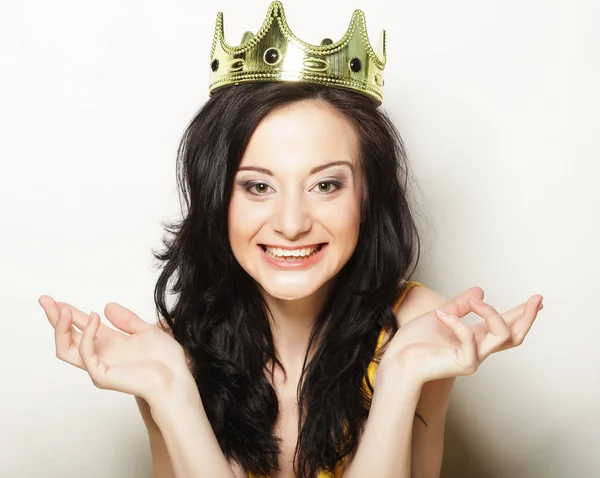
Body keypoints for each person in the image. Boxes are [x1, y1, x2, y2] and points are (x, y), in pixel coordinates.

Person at [38, 2, 543, 477]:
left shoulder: (419, 329)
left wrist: (402, 377)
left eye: (325, 185)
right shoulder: (173, 351)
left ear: (367, 196)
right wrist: (170, 392)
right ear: (218, 197)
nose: (291, 222)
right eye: (258, 186)